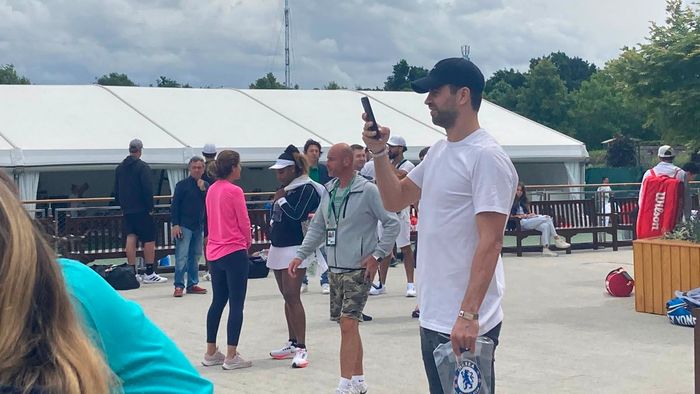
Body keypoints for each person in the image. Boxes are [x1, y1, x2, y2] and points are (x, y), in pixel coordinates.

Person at [362, 57, 519, 393]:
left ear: (462, 95)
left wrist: (469, 314)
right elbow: (395, 199)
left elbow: (490, 241)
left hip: (465, 319)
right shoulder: (438, 153)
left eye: (435, 91)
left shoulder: (486, 156)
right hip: (435, 314)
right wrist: (378, 153)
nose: (427, 100)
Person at [0, 172, 214, 394]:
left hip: (144, 222)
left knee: (163, 249)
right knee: (167, 250)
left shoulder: (68, 285)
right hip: (157, 222)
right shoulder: (69, 281)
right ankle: (159, 276)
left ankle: (155, 275)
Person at [289, 143, 399, 394]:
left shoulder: (368, 190)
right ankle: (359, 381)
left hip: (358, 270)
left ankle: (344, 384)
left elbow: (391, 224)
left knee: (348, 323)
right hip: (336, 268)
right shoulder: (328, 191)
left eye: (333, 159)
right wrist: (300, 255)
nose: (327, 163)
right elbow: (318, 227)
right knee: (348, 325)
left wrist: (377, 255)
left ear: (347, 162)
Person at [266, 145, 323, 369]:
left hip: (295, 248)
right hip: (278, 247)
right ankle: (291, 342)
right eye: (277, 171)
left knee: (293, 295)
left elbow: (297, 215)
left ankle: (302, 346)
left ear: (294, 169)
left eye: (282, 170)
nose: (278, 174)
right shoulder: (286, 189)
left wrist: (280, 200)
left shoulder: (307, 188)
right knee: (286, 297)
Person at [202, 150, 253, 370]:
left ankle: (211, 350)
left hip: (214, 251)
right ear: (233, 167)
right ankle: (231, 354)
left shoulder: (211, 189)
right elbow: (244, 220)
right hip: (233, 250)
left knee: (218, 301)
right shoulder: (235, 191)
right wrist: (248, 242)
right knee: (236, 303)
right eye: (239, 165)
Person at [114, 139, 167, 283]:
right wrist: (150, 207)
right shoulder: (142, 167)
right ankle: (149, 272)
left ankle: (132, 272)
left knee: (131, 237)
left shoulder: (120, 168)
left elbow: (116, 189)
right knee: (149, 239)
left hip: (127, 209)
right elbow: (147, 189)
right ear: (140, 150)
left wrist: (122, 204)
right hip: (142, 208)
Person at [370, 135, 416, 297]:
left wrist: (382, 164)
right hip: (385, 211)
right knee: (384, 249)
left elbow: (399, 176)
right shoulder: (389, 164)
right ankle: (381, 283)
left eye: (393, 147)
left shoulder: (408, 165)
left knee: (405, 247)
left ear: (401, 148)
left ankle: (410, 284)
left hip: (401, 212)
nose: (390, 149)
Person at [171, 156, 209, 297]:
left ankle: (192, 283)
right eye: (194, 167)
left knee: (196, 256)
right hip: (184, 225)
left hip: (198, 225)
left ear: (203, 169)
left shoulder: (206, 185)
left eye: (199, 167)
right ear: (189, 169)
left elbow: (210, 204)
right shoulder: (181, 185)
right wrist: (175, 224)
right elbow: (175, 206)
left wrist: (204, 190)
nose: (197, 170)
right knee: (181, 256)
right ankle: (179, 285)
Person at [509, 183, 571, 256]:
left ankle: (546, 249)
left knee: (545, 226)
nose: (519, 192)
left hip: (528, 221)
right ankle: (557, 238)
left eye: (521, 190)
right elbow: (511, 216)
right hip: (519, 223)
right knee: (547, 218)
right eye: (517, 190)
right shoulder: (510, 201)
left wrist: (532, 215)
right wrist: (525, 216)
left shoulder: (524, 201)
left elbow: (528, 213)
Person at [303, 139, 332, 293]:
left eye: (317, 151)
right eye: (311, 151)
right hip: (304, 214)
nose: (314, 154)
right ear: (305, 153)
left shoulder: (323, 169)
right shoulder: (300, 171)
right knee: (304, 247)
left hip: (321, 211)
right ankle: (304, 280)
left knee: (325, 247)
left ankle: (325, 280)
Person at [639, 145, 688, 223]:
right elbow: (686, 197)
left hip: (654, 217)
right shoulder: (681, 173)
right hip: (674, 217)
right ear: (673, 157)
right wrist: (687, 218)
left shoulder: (649, 174)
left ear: (659, 157)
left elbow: (642, 197)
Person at [200, 143, 217, 282]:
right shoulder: (220, 169)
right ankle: (215, 266)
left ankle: (208, 266)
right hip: (218, 205)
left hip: (204, 206)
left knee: (207, 236)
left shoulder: (202, 169)